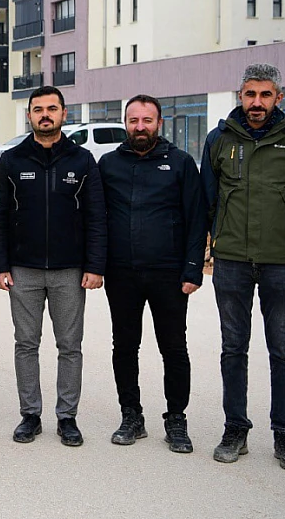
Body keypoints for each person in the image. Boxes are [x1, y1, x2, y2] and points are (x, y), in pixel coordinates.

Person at [201, 63, 285, 471]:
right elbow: (205, 203)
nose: (257, 103)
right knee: (234, 349)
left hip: (281, 263)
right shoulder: (219, 140)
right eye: (250, 94)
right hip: (230, 263)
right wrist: (205, 254)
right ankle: (235, 429)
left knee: (283, 352)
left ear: (279, 98)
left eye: (265, 95)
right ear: (240, 96)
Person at [0, 85, 106, 447]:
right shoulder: (12, 160)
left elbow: (96, 217)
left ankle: (67, 417)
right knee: (26, 343)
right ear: (29, 115)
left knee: (70, 345)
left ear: (63, 114)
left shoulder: (82, 160)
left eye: (51, 108)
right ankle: (30, 415)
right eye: (38, 109)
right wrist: (0, 265)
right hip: (22, 269)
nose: (44, 115)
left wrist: (95, 265)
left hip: (70, 270)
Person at [99, 94, 206, 453]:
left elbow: (196, 220)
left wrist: (193, 268)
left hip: (169, 274)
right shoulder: (109, 165)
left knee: (174, 347)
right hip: (122, 274)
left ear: (159, 123)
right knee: (125, 347)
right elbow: (96, 221)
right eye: (133, 121)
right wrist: (97, 266)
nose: (140, 127)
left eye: (147, 120)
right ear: (125, 124)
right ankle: (131, 415)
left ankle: (176, 418)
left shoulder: (180, 163)